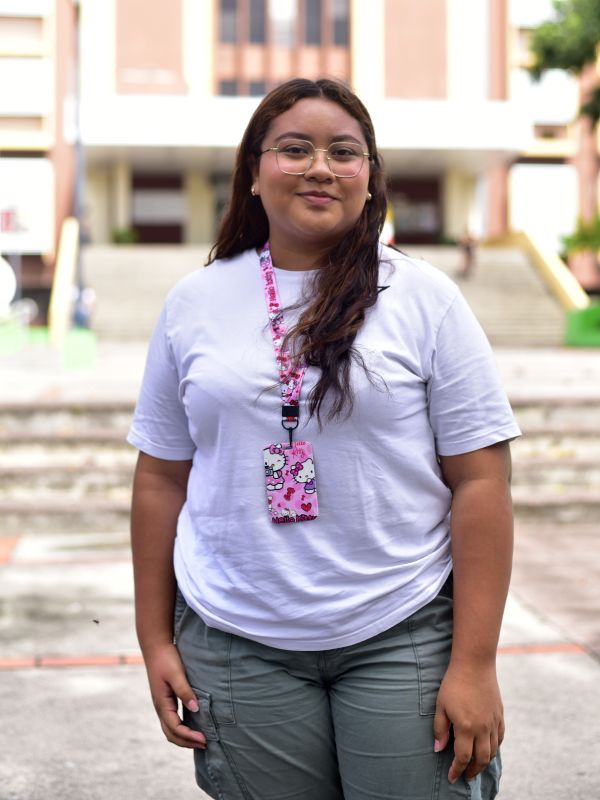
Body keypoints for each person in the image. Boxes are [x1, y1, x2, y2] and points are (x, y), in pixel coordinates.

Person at [128, 78, 520, 800]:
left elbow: (482, 479)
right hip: (237, 635)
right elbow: (160, 477)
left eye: (344, 151)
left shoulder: (426, 299)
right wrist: (154, 638)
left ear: (370, 177)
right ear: (252, 171)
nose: (320, 167)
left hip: (400, 624)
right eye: (294, 149)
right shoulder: (195, 303)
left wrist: (476, 662)